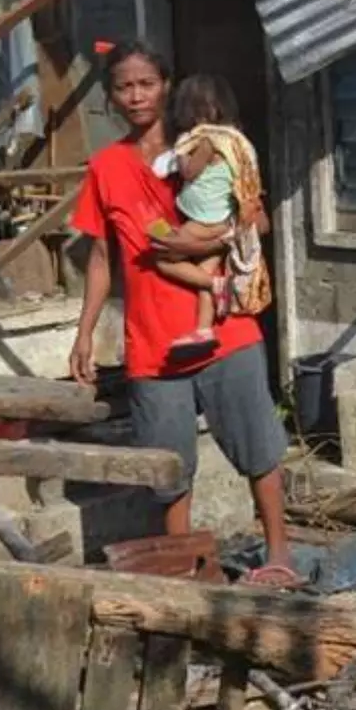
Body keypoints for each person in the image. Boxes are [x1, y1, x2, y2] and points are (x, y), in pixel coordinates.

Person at [68, 42, 298, 587]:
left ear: (166, 85)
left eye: (146, 84)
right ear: (110, 96)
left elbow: (258, 221)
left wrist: (204, 242)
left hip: (226, 329)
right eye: (124, 87)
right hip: (152, 343)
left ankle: (279, 555)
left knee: (259, 448)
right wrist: (83, 334)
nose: (136, 96)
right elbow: (101, 258)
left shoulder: (206, 147)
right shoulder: (106, 167)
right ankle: (187, 568)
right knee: (169, 468)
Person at [151, 74, 271, 360]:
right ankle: (203, 330)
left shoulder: (207, 142)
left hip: (205, 220)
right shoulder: (235, 141)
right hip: (226, 221)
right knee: (205, 272)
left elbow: (189, 172)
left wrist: (182, 152)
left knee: (161, 252)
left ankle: (220, 286)